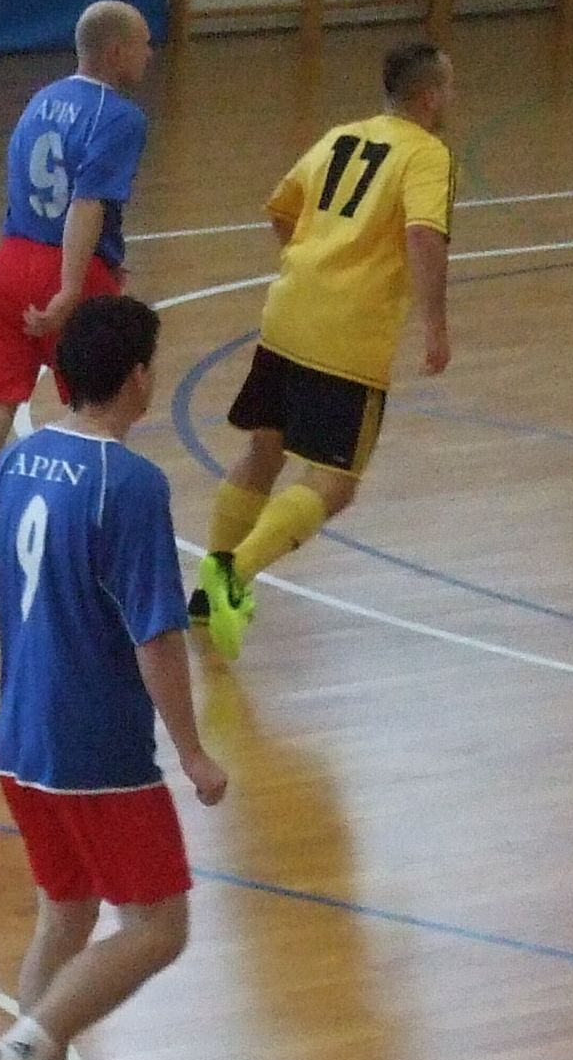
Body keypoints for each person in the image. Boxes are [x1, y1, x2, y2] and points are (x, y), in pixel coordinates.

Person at [0, 295, 229, 1060]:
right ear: (139, 376)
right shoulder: (131, 485)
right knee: (160, 928)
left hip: (22, 743)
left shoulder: (18, 462)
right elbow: (157, 634)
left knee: (65, 915)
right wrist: (191, 750)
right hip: (97, 755)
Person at [190, 39, 456, 660]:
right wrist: (436, 325)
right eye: (449, 87)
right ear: (429, 96)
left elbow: (280, 210)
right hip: (348, 335)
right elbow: (423, 234)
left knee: (263, 450)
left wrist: (314, 260)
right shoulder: (427, 154)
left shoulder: (342, 136)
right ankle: (232, 576)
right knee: (335, 482)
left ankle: (207, 591)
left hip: (288, 314)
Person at [0, 1, 156, 567]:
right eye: (143, 44)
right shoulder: (121, 117)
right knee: (102, 419)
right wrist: (71, 285)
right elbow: (87, 203)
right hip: (69, 274)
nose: (150, 53)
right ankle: (90, 558)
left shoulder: (40, 100)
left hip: (9, 262)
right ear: (116, 51)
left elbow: (25, 187)